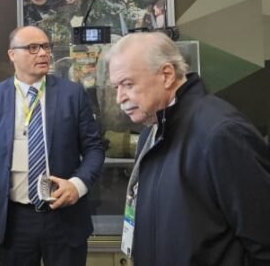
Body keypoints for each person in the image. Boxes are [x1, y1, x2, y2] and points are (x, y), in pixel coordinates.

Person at [106, 32, 270, 265]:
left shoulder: (222, 134)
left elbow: (263, 242)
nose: (119, 98)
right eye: (116, 87)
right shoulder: (150, 132)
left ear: (166, 75)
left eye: (128, 84)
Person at [0, 26, 105, 266]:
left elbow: (95, 149)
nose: (43, 53)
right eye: (32, 48)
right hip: (15, 220)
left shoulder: (72, 94)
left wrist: (77, 185)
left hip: (64, 217)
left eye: (45, 47)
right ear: (12, 55)